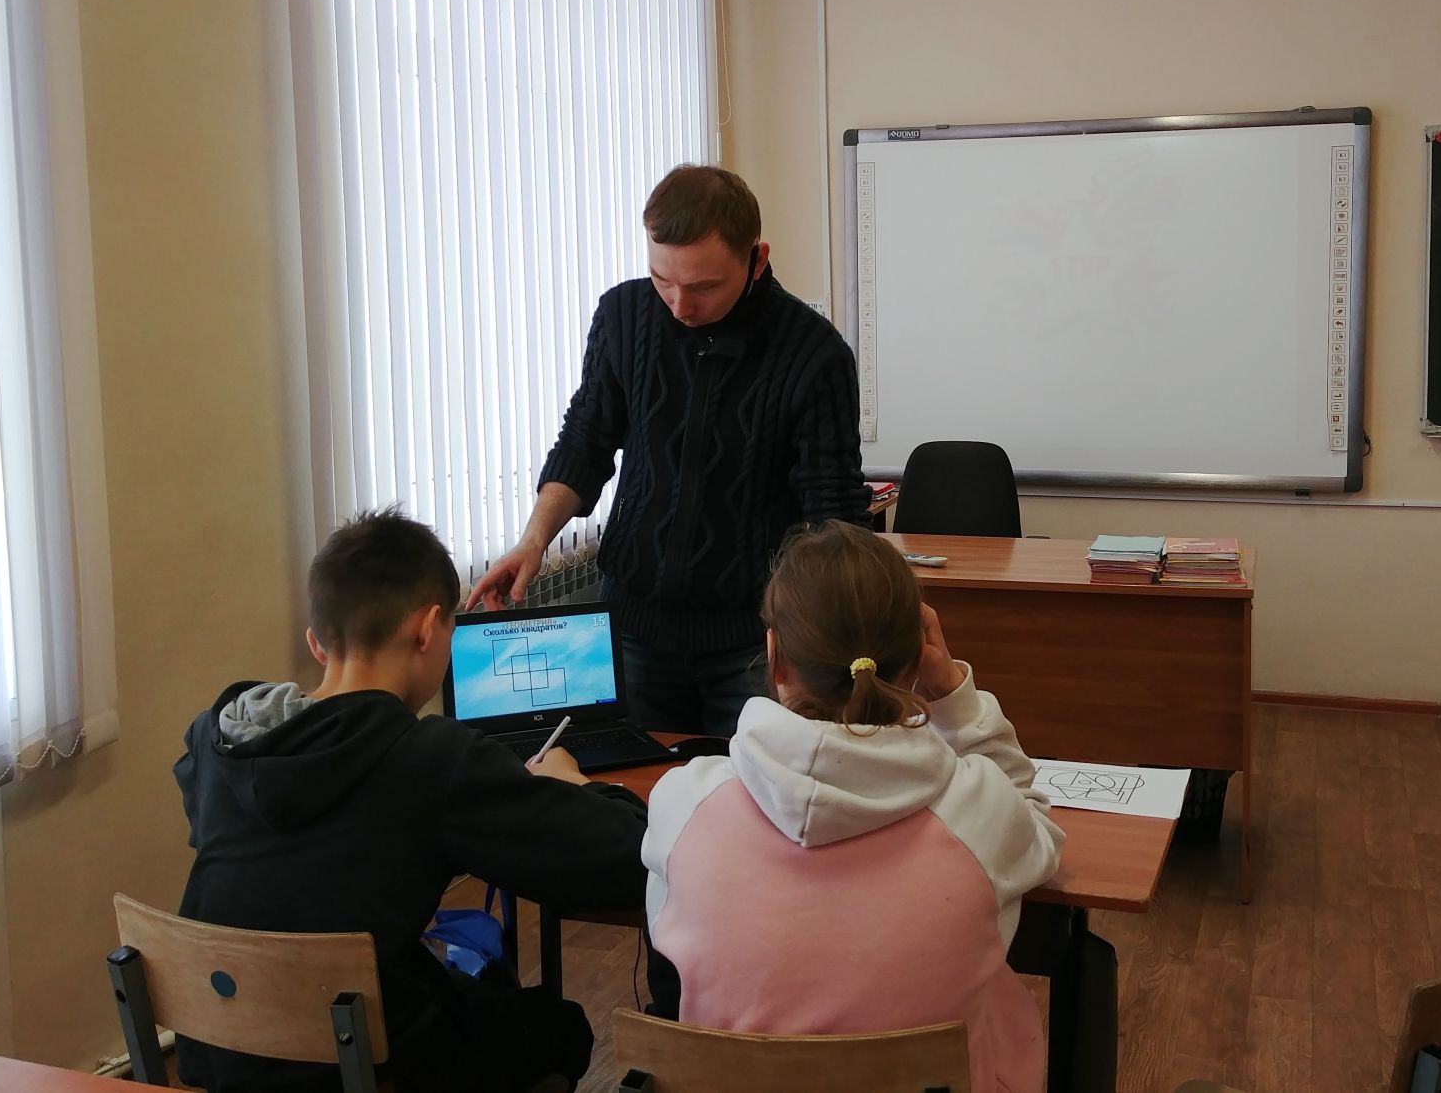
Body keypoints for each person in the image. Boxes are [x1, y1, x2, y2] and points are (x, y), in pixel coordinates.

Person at [172, 508, 647, 1092]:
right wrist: (573, 787)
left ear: (318, 645)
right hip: (354, 1066)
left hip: (223, 1050)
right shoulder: (428, 760)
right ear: (427, 629)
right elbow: (626, 856)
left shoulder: (218, 738)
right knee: (559, 1027)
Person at [640, 520, 1065, 1093]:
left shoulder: (685, 801)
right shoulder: (977, 812)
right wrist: (955, 697)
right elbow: (1034, 822)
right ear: (918, 657)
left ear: (774, 656)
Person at [468, 164, 870, 738]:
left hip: (756, 644)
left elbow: (833, 514)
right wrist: (533, 540)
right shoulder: (623, 316)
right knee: (627, 781)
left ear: (757, 260)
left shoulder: (814, 354)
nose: (679, 305)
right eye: (663, 279)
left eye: (704, 287)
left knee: (752, 789)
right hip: (632, 630)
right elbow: (585, 439)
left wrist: (830, 640)